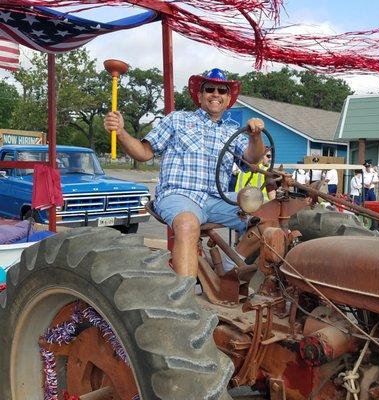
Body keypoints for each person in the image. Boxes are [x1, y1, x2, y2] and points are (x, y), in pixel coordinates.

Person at [103, 68, 265, 277]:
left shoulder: (233, 130)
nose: (216, 94)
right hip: (179, 195)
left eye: (222, 91)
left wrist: (255, 136)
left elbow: (252, 158)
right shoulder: (177, 120)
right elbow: (144, 153)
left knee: (268, 216)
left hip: (218, 198)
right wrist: (121, 132)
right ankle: (184, 300)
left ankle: (228, 267)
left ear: (228, 99)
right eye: (210, 89)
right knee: (187, 224)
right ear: (200, 95)